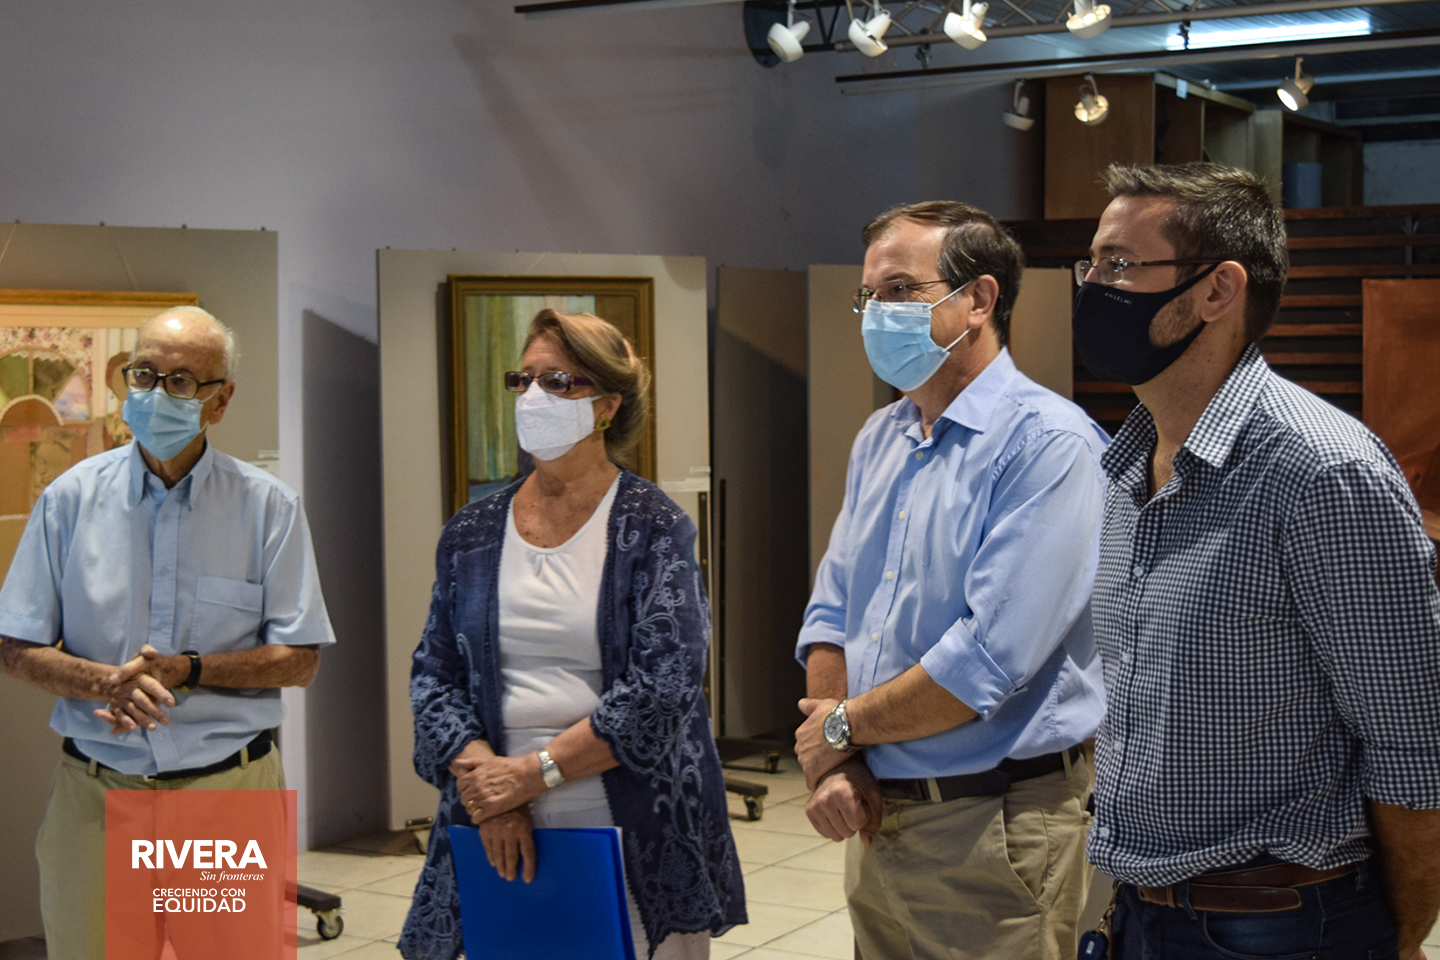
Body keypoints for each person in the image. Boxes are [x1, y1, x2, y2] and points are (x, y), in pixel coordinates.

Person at [1076, 162, 1440, 959]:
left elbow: (1413, 745)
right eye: (1092, 265)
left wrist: (1404, 935)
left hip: (1281, 925)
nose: (1093, 288)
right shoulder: (1129, 468)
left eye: (1120, 265)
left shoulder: (1322, 472)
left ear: (1218, 289)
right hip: (1140, 910)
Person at [794, 201, 1109, 959]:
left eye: (902, 289)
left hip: (994, 827)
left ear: (979, 299)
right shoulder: (882, 437)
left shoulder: (1050, 445)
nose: (879, 312)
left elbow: (985, 661)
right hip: (876, 812)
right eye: (870, 294)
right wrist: (840, 760)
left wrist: (838, 730)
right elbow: (832, 613)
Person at [400, 309, 745, 960]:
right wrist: (495, 791)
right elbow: (434, 676)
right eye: (524, 379)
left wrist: (532, 776)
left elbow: (664, 686)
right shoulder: (472, 532)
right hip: (497, 820)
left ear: (607, 406)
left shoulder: (653, 526)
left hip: (629, 822)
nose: (533, 396)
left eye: (558, 381)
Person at [0, 305, 334, 960]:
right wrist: (106, 683)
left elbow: (300, 660)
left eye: (180, 381)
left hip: (222, 796)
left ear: (221, 400)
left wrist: (190, 669)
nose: (155, 394)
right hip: (99, 795)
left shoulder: (267, 507)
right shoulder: (69, 499)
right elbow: (14, 646)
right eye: (143, 375)